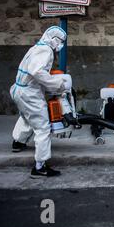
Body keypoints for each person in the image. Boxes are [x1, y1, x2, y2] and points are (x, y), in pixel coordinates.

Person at [10, 26, 70, 178]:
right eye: (60, 41)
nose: (61, 45)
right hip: (29, 93)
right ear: (54, 40)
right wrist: (57, 85)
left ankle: (18, 142)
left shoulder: (36, 47)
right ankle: (40, 167)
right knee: (43, 127)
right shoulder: (46, 50)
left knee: (27, 117)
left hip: (19, 89)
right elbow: (37, 72)